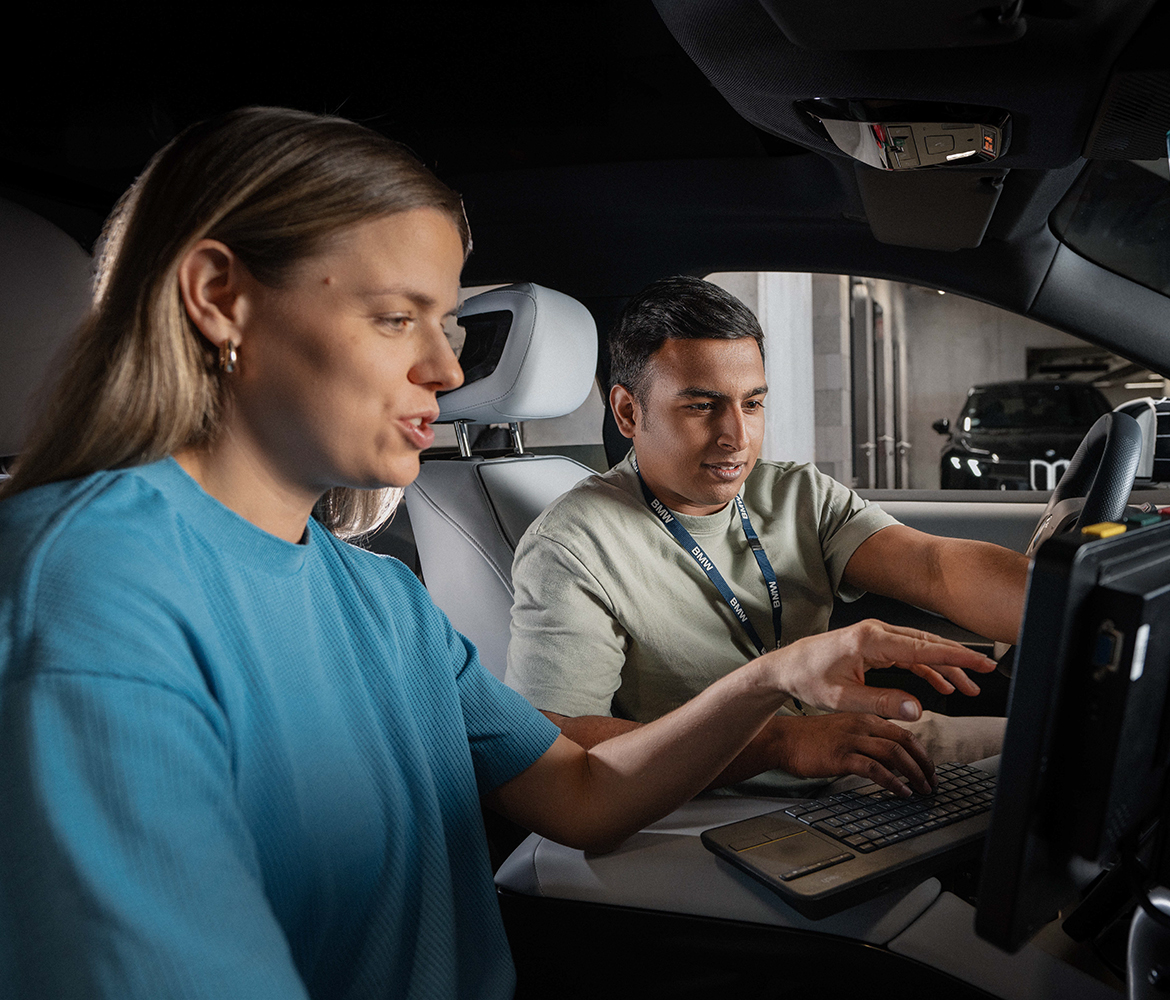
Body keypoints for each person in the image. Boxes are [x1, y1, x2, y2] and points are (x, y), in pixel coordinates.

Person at [0, 108, 996, 1000]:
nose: (444, 365)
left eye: (446, 321)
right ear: (220, 295)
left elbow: (580, 794)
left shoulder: (376, 595)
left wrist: (775, 681)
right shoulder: (86, 594)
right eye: (399, 317)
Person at [507, 276, 1031, 797]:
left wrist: (1072, 606)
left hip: (851, 751)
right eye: (701, 406)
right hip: (724, 799)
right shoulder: (571, 546)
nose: (737, 437)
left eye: (752, 404)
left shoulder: (794, 493)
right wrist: (782, 743)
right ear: (628, 412)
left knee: (1075, 759)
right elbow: (557, 741)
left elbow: (935, 568)